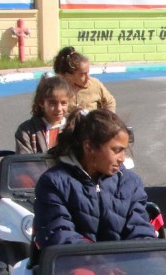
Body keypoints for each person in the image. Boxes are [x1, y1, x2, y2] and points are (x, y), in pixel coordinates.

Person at [33, 109, 156, 249]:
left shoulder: (130, 182)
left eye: (124, 150)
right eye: (116, 150)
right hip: (72, 265)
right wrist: (101, 263)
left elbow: (140, 230)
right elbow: (58, 235)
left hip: (123, 265)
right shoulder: (53, 183)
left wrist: (134, 259)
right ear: (89, 147)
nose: (122, 158)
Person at [14, 75, 73, 154]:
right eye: (53, 103)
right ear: (41, 103)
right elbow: (25, 163)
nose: (59, 109)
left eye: (63, 103)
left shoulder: (74, 126)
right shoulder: (27, 131)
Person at [53, 46, 117, 113]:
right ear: (69, 75)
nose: (88, 77)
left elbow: (110, 102)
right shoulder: (58, 89)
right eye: (82, 74)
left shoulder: (94, 84)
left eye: (88, 72)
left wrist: (106, 118)